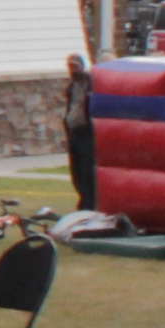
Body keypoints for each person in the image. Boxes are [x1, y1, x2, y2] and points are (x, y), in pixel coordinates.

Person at [62, 50, 98, 209]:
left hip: (86, 133)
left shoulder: (90, 85)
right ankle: (83, 197)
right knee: (76, 169)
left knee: (87, 169)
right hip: (74, 132)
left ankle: (89, 201)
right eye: (71, 67)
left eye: (75, 67)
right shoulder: (72, 87)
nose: (73, 70)